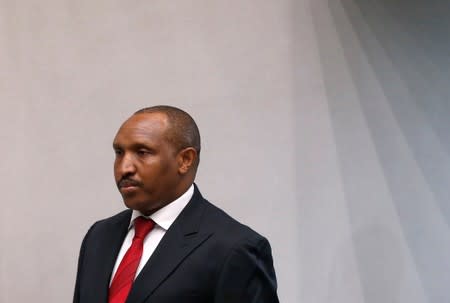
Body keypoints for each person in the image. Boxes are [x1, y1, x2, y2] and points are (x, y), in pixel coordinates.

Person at [73, 105, 279, 303]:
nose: (124, 167)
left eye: (142, 152)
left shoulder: (234, 248)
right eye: (119, 152)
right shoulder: (99, 236)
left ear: (185, 160)